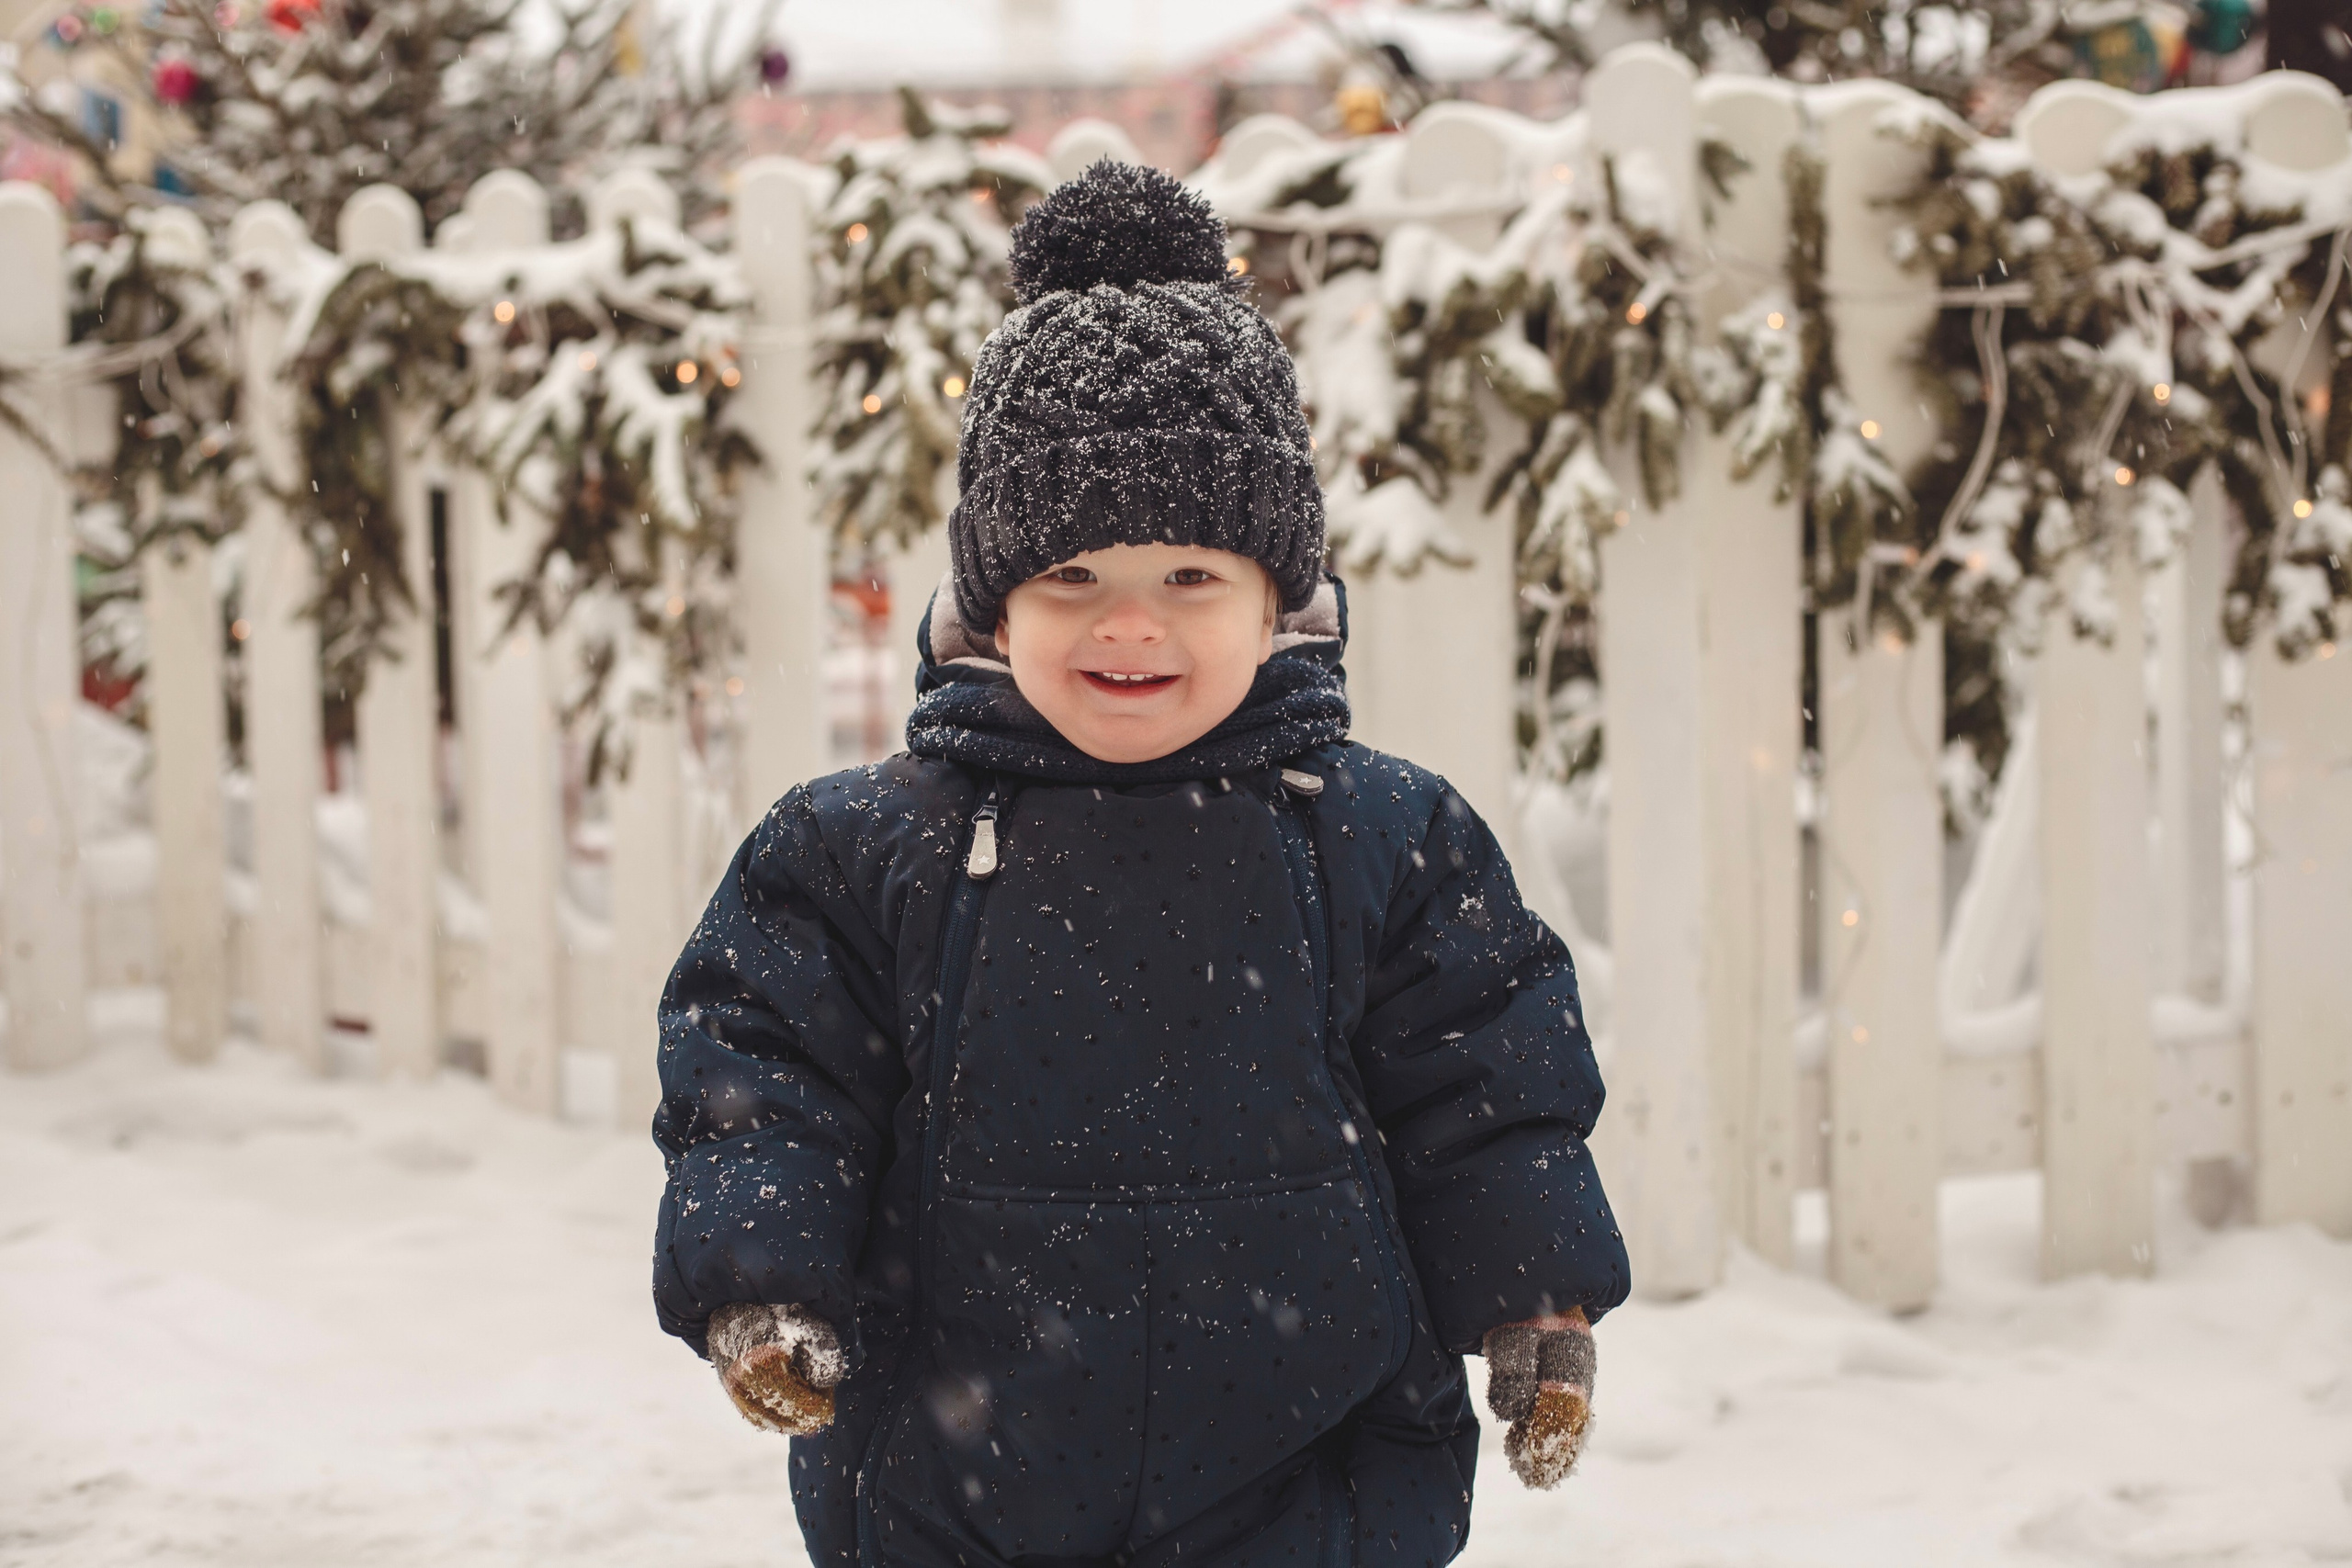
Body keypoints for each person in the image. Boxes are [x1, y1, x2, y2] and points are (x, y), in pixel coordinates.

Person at [650, 160, 1630, 1566]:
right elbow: (763, 1078)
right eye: (1073, 581)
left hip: (1309, 1466)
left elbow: (1490, 1089)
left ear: (1276, 596)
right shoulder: (865, 847)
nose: (1132, 628)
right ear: (993, 600)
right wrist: (760, 1285)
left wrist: (1540, 1308)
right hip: (961, 1466)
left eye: (1190, 579)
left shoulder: (1386, 837)